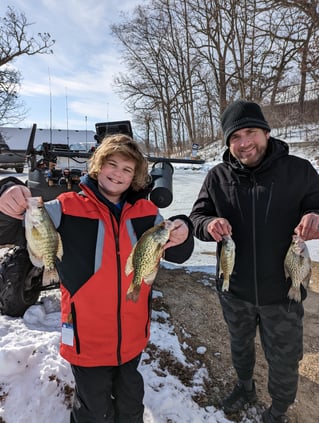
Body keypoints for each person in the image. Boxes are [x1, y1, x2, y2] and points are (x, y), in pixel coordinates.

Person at [0, 134, 194, 423]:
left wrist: (185, 227)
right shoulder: (66, 207)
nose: (118, 174)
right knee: (92, 411)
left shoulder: (147, 213)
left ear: (136, 176)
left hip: (131, 338)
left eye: (127, 169)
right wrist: (8, 190)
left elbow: (179, 253)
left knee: (131, 406)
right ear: (97, 166)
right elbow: (10, 230)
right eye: (112, 164)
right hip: (85, 340)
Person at [189, 99, 319, 423]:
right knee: (240, 345)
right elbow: (196, 217)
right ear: (227, 143)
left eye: (250, 132)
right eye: (235, 137)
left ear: (266, 132)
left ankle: (278, 410)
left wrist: (315, 216)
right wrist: (208, 225)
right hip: (236, 289)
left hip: (284, 292)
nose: (243, 142)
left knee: (286, 358)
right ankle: (245, 387)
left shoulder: (299, 170)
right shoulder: (217, 177)